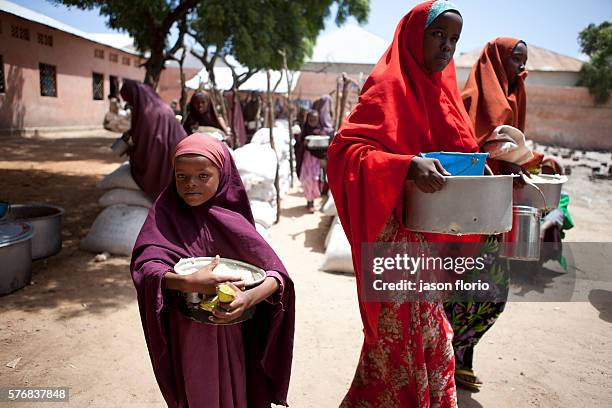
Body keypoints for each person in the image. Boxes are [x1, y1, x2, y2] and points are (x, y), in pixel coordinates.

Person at [327, 1, 479, 406]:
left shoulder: (443, 95)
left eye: (454, 39)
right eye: (437, 35)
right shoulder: (388, 86)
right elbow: (346, 152)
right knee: (399, 339)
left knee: (429, 334)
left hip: (430, 240)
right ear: (415, 34)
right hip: (393, 238)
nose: (447, 47)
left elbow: (464, 154)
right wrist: (406, 165)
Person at [130, 133, 295, 408]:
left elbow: (278, 277)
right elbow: (146, 266)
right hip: (188, 334)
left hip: (234, 334)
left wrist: (249, 298)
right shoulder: (165, 215)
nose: (190, 184)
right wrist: (187, 282)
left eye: (202, 175)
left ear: (223, 175)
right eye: (181, 176)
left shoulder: (234, 222)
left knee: (237, 391)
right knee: (198, 393)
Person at [444, 37, 531, 392]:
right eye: (515, 60)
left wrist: (523, 165)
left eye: (524, 61)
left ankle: (461, 353)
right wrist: (488, 159)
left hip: (495, 211)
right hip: (465, 212)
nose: (521, 68)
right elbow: (457, 150)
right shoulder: (468, 99)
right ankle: (448, 359)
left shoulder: (516, 98)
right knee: (457, 287)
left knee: (492, 292)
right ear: (496, 61)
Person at [120, 79, 187, 200]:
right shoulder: (159, 106)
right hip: (179, 153)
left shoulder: (146, 112)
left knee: (153, 174)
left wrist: (131, 150)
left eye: (128, 99)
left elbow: (145, 146)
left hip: (164, 154)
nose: (129, 103)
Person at [295, 109, 333, 212]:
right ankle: (309, 202)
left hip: (317, 161)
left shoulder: (322, 131)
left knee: (316, 180)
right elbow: (298, 145)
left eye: (315, 119)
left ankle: (313, 200)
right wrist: (304, 144)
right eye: (311, 119)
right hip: (306, 160)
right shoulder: (304, 131)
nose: (312, 121)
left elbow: (326, 147)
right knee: (307, 180)